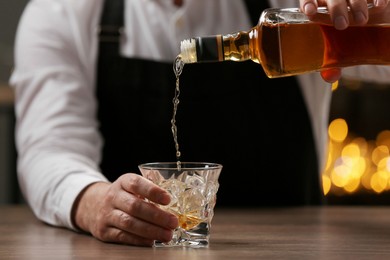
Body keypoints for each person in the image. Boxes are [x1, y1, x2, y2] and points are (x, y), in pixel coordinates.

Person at [10, 0, 390, 247]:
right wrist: (94, 204)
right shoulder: (61, 12)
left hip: (295, 251)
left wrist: (380, 16)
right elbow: (49, 151)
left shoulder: (295, 7)